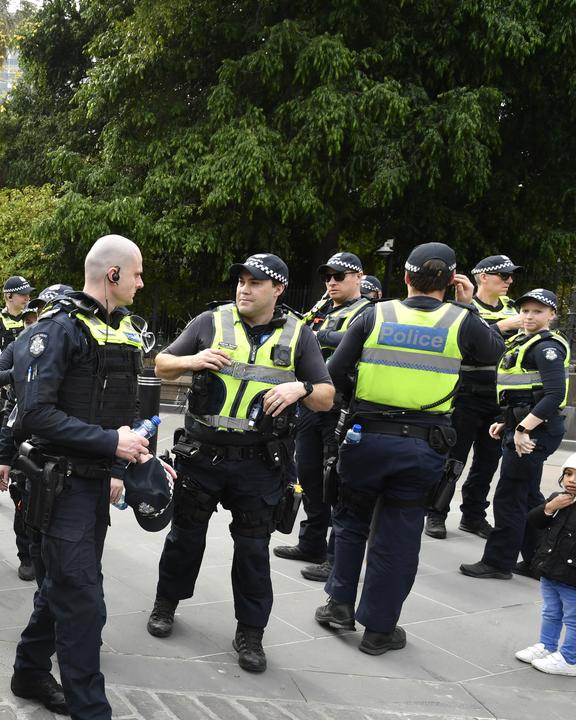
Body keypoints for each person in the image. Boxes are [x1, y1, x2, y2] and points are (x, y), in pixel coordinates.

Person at [315, 242, 504, 656]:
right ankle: (380, 630)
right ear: (453, 280)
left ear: (404, 276)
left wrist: (351, 406)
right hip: (423, 446)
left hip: (365, 437)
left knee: (350, 522)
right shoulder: (463, 321)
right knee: (399, 537)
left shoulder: (375, 314)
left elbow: (334, 372)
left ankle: (340, 606)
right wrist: (469, 306)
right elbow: (496, 353)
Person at [148, 253, 334, 673]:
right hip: (202, 456)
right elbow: (161, 365)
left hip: (259, 462)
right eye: (241, 281)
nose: (244, 289)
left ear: (279, 290)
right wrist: (190, 361)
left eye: (255, 283)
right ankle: (166, 604)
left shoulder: (298, 334)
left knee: (252, 551)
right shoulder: (210, 321)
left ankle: (251, 632)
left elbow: (326, 395)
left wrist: (299, 388)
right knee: (184, 538)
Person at [9, 235, 151, 719]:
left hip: (92, 486)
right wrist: (112, 444)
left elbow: (119, 410)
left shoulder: (120, 331)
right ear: (112, 275)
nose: (141, 281)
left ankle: (29, 671)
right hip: (60, 485)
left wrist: (131, 455)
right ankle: (91, 709)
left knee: (64, 587)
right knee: (84, 602)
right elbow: (36, 415)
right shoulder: (56, 330)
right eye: (135, 273)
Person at [461, 289, 569, 579]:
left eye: (538, 311)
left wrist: (522, 429)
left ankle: (498, 562)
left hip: (534, 430)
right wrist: (505, 421)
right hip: (523, 425)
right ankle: (537, 559)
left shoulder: (547, 347)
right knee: (529, 494)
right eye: (525, 311)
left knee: (509, 495)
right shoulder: (523, 342)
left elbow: (554, 394)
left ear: (552, 315)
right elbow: (519, 392)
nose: (529, 316)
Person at [274, 253, 369, 581]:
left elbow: (360, 343)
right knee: (310, 475)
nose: (332, 282)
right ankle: (311, 542)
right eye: (328, 276)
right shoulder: (323, 309)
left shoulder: (368, 311)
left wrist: (318, 336)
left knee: (337, 479)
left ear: (358, 277)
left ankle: (335, 557)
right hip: (311, 400)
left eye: (340, 276)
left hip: (342, 404)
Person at [425, 255, 525, 540]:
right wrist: (503, 328)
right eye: (504, 276)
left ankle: (473, 516)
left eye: (511, 276)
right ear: (484, 277)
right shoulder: (463, 309)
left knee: (487, 462)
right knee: (452, 458)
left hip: (497, 398)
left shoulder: (514, 309)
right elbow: (463, 343)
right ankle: (436, 513)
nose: (509, 281)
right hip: (465, 394)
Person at [0, 284, 71, 583]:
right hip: (23, 433)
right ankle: (27, 555)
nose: (40, 317)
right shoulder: (22, 343)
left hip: (65, 441)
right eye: (36, 311)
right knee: (24, 500)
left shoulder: (75, 346)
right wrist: (23, 371)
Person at [515, 453, 576, 676]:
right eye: (568, 474)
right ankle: (547, 646)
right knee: (551, 612)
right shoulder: (559, 499)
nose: (572, 480)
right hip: (550, 569)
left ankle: (570, 659)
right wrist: (550, 506)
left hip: (572, 577)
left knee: (573, 618)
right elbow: (534, 520)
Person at [0, 275, 35, 347]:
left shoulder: (33, 317)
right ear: (9, 297)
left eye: (28, 294)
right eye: (23, 294)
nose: (27, 298)